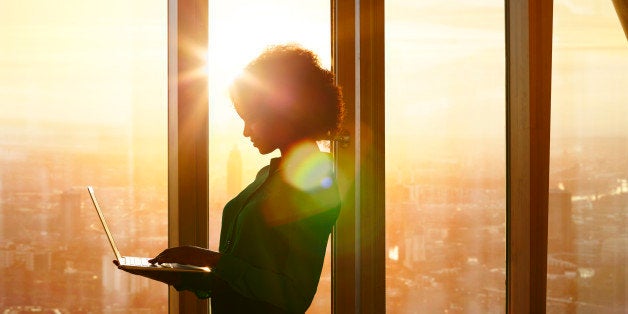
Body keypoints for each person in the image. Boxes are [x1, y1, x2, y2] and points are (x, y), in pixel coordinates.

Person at [143, 44, 345, 313]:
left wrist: (211, 260)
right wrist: (187, 274)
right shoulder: (269, 176)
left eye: (251, 119)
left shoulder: (315, 185)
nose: (246, 132)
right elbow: (245, 272)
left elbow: (293, 294)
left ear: (284, 113)